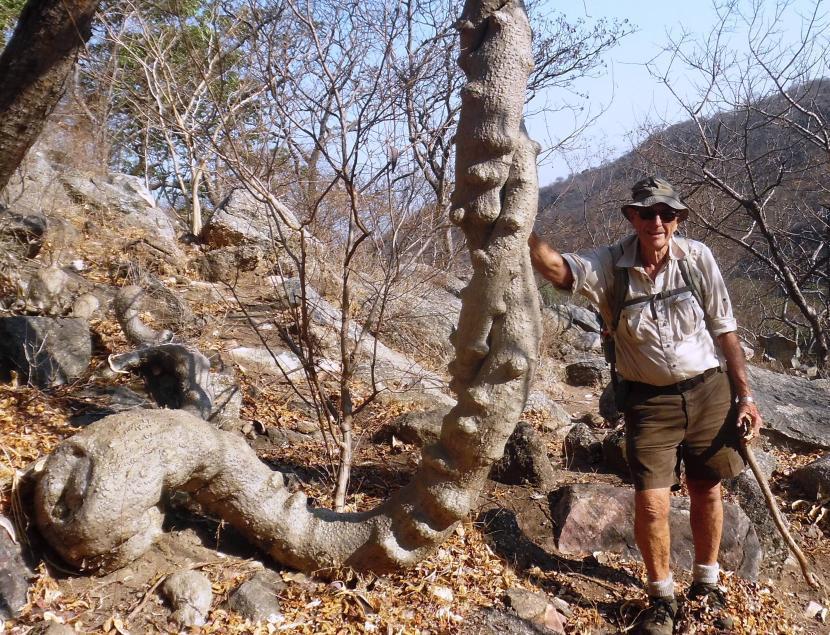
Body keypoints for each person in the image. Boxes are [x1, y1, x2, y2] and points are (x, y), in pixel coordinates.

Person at [529, 176, 763, 634]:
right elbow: (559, 271)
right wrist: (521, 227)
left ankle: (707, 584)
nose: (658, 221)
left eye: (667, 213)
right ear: (632, 217)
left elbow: (725, 329)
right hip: (649, 402)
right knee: (653, 503)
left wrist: (745, 396)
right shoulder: (611, 265)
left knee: (707, 489)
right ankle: (660, 597)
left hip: (709, 391)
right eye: (648, 213)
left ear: (678, 220)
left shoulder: (697, 259)